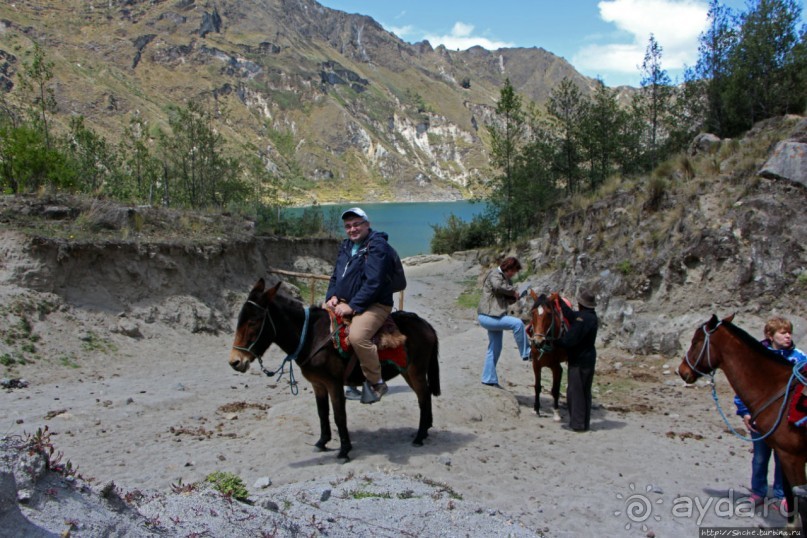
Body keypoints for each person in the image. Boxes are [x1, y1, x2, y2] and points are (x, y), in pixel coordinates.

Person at [325, 207, 396, 404]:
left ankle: (376, 382)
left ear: (367, 224)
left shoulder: (377, 246)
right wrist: (332, 296)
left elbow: (374, 282)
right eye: (348, 226)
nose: (352, 229)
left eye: (357, 224)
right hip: (346, 299)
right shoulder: (346, 246)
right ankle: (349, 379)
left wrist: (352, 307)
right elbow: (336, 276)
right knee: (322, 326)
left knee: (357, 336)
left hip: (376, 303)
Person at [734, 316, 807, 507]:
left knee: (782, 459)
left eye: (789, 332)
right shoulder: (757, 356)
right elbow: (745, 386)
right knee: (759, 458)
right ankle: (757, 492)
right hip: (761, 419)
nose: (788, 336)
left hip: (784, 421)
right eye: (783, 333)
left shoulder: (799, 357)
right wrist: (745, 413)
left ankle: (781, 495)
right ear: (770, 335)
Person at [476, 257, 531, 388]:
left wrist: (516, 296)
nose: (513, 274)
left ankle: (488, 378)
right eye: (513, 271)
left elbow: (505, 299)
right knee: (517, 324)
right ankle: (527, 353)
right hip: (488, 316)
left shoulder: (506, 280)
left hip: (494, 315)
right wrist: (513, 291)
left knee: (495, 348)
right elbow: (497, 286)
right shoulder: (495, 274)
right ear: (508, 267)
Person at [556, 289, 599, 432]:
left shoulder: (582, 320)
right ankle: (584, 423)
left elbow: (570, 340)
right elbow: (570, 314)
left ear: (581, 305)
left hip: (579, 360)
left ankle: (577, 424)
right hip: (589, 359)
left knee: (575, 392)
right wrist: (560, 302)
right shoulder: (591, 317)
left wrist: (555, 342)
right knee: (585, 391)